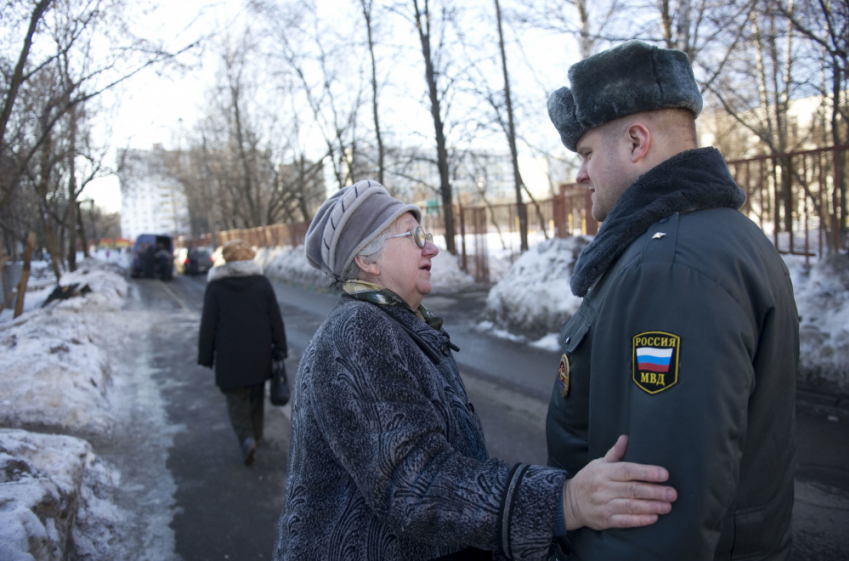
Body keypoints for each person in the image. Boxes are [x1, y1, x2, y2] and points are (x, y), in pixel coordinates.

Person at [274, 180, 678, 561]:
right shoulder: (357, 330)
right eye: (414, 237)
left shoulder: (400, 325)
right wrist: (565, 501)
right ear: (367, 260)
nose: (431, 248)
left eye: (426, 235)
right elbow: (417, 485)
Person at [545, 40, 799, 560]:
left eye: (588, 153)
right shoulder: (715, 237)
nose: (580, 173)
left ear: (636, 142)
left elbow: (659, 507)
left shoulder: (673, 266)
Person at [198, 239, 287, 465]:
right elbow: (275, 318)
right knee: (257, 396)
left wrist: (206, 356)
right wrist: (280, 348)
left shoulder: (216, 287)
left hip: (229, 356)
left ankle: (246, 438)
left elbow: (208, 324)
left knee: (236, 401)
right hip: (260, 353)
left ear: (226, 259)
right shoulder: (262, 283)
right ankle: (256, 436)